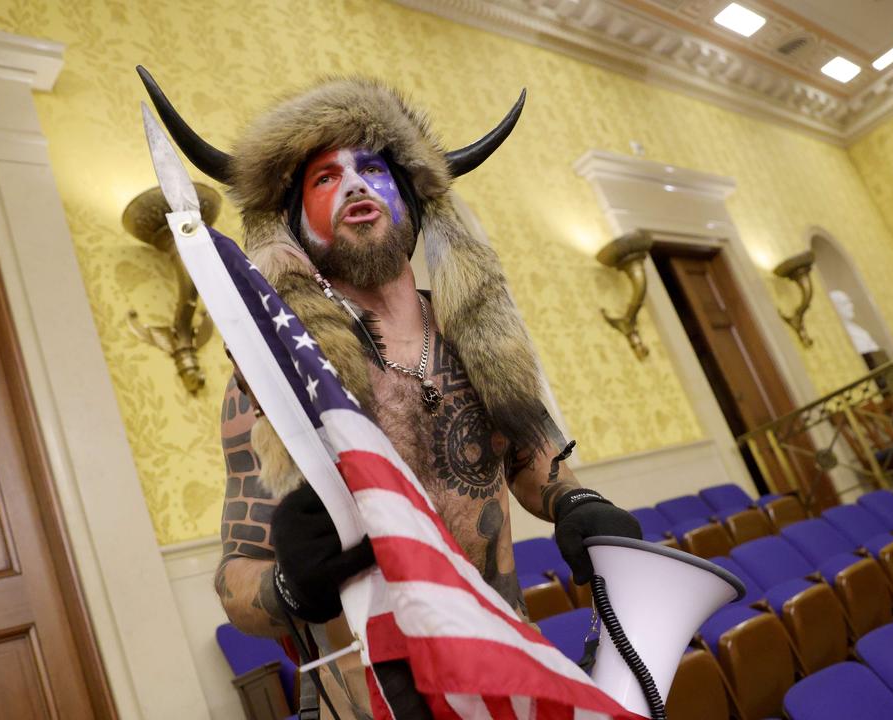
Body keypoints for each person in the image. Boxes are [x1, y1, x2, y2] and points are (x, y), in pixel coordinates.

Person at [140, 70, 642, 718]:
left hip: (500, 674)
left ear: (409, 197)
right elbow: (235, 583)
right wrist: (289, 585)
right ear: (296, 222)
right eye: (324, 178)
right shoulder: (274, 385)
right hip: (369, 697)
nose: (352, 184)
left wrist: (579, 503)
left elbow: (534, 463)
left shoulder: (483, 343)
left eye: (372, 168)